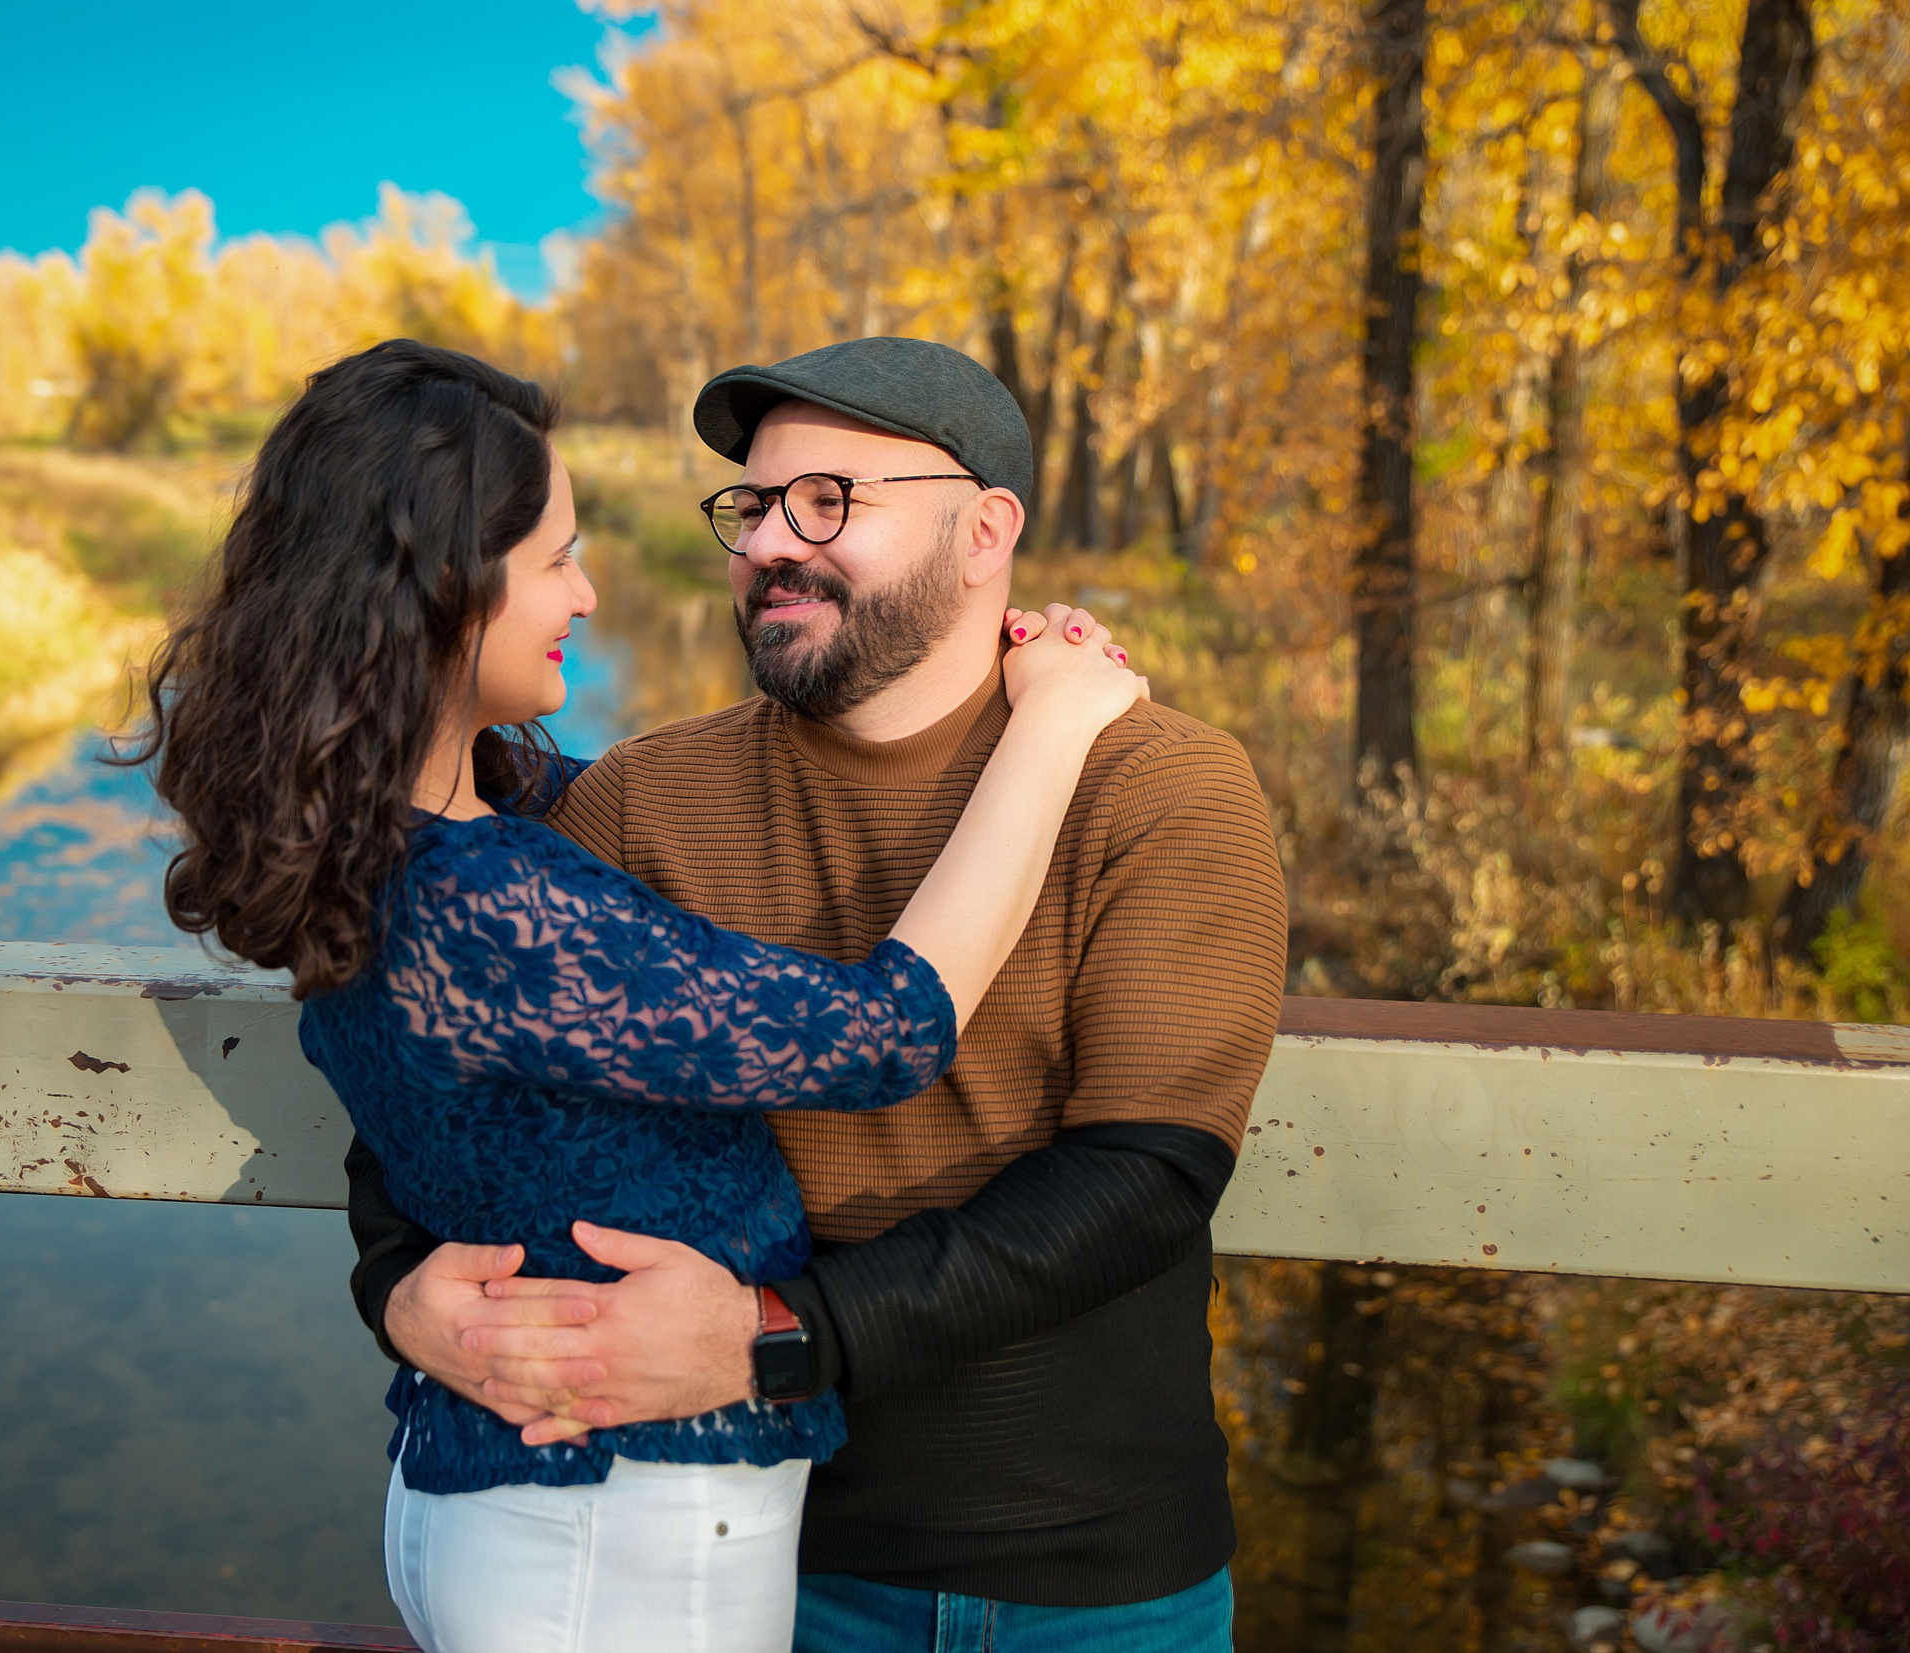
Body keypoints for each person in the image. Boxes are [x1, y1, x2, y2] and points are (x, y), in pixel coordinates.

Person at [135, 338, 1147, 1653]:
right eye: (555, 557)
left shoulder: (409, 827)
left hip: (538, 1506)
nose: (590, 592)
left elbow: (644, 814)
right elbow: (887, 1030)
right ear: (444, 588)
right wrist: (1057, 724)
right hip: (607, 1528)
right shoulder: (483, 902)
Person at [346, 337, 1290, 1653]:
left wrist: (778, 1334)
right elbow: (445, 1092)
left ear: (986, 531)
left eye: (831, 500)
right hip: (741, 1555)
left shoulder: (1163, 788)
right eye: (750, 505)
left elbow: (1143, 1179)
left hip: (1090, 1574)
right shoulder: (639, 801)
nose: (772, 543)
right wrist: (395, 1286)